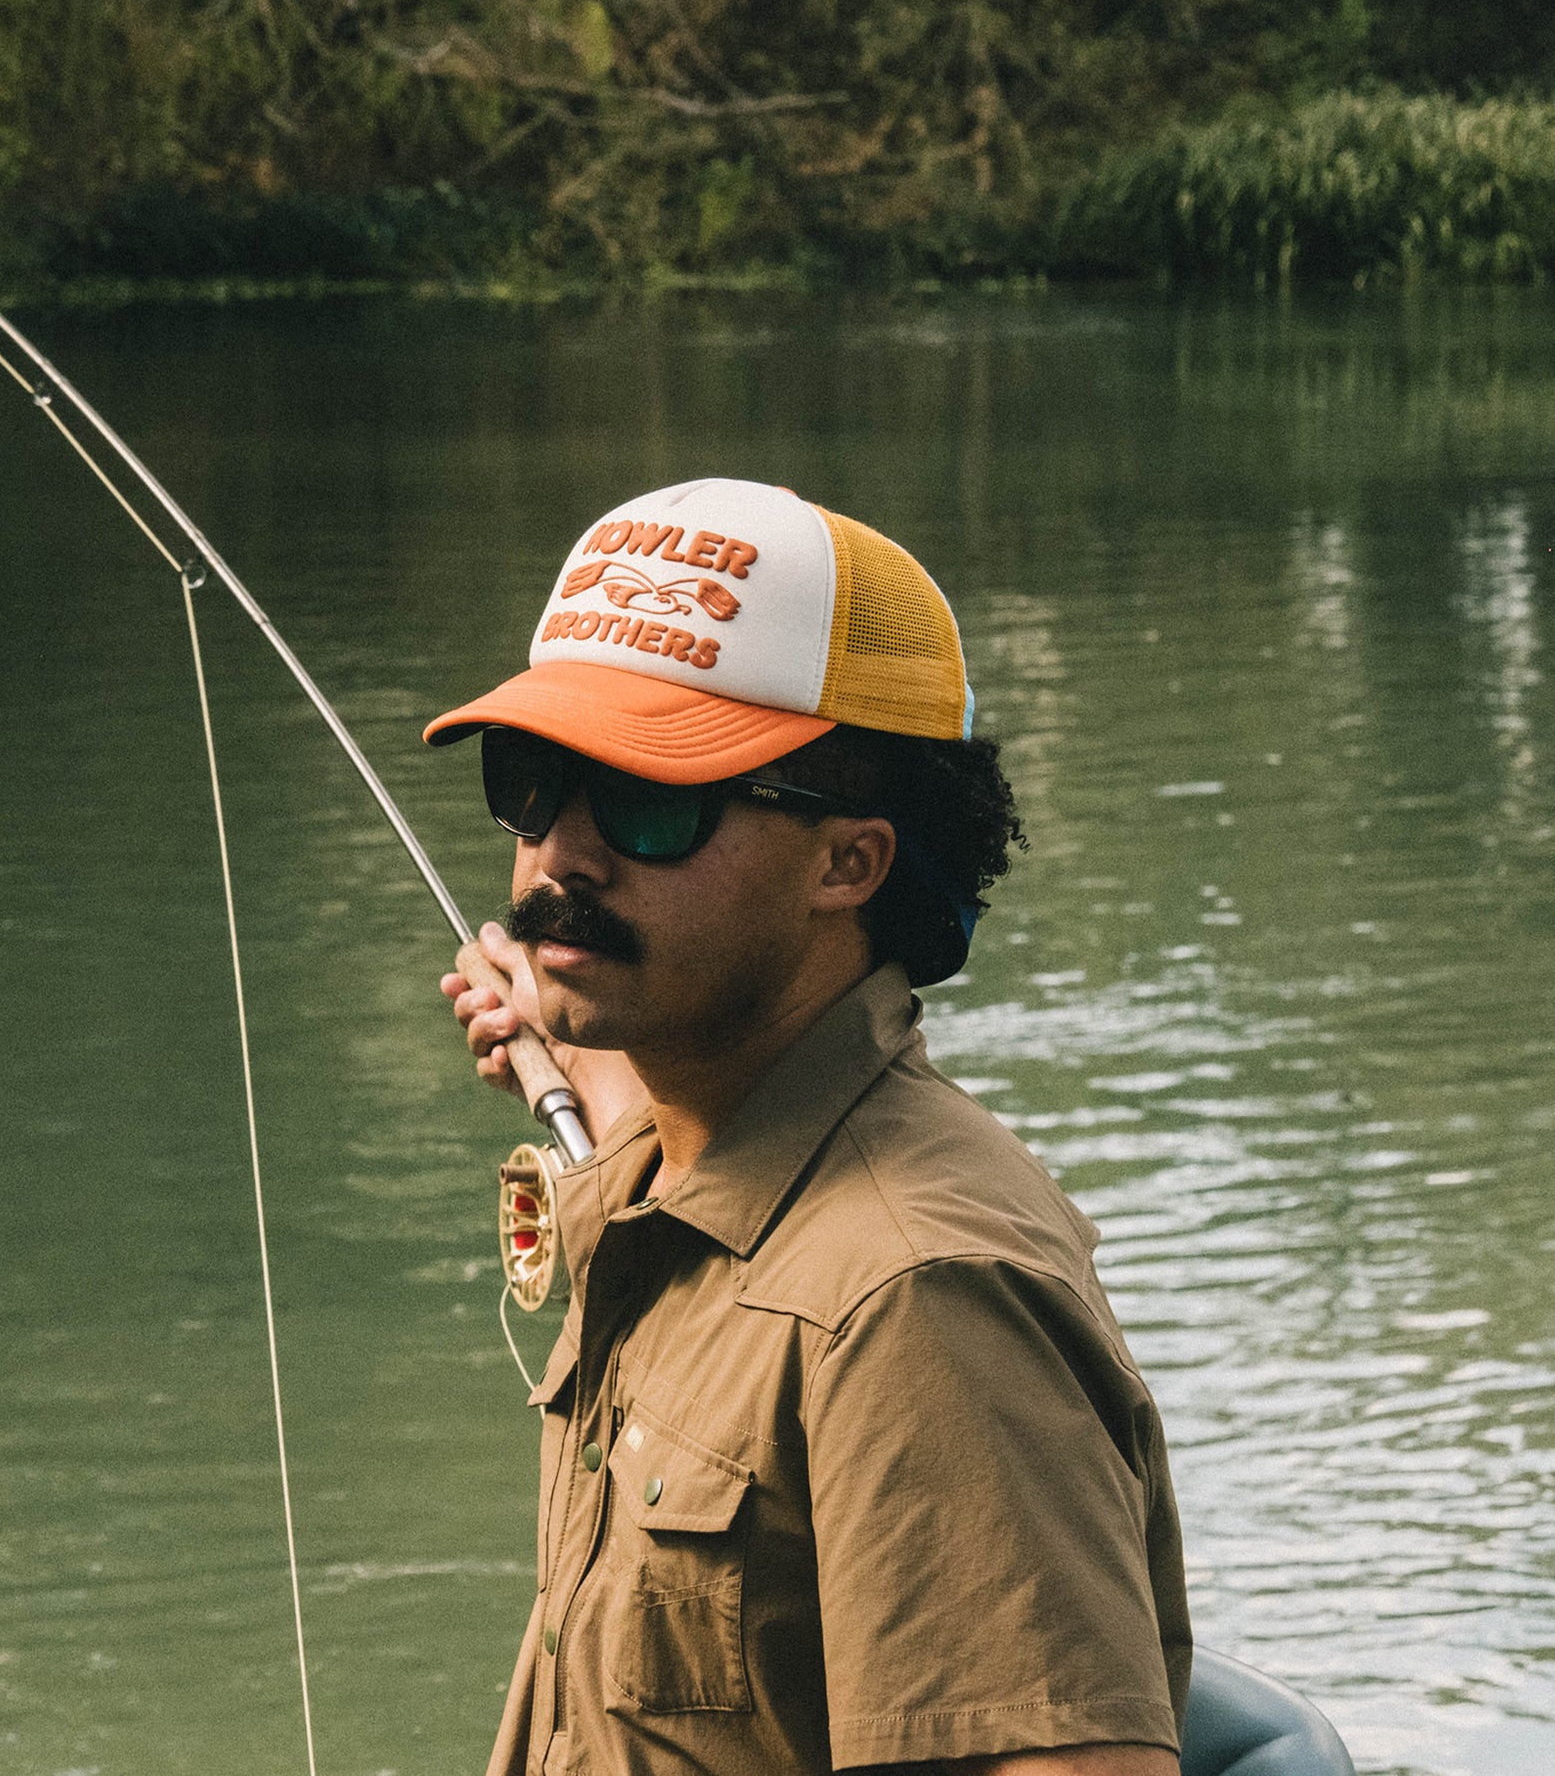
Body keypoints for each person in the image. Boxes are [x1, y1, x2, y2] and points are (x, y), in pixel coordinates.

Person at [428, 478, 1190, 1776]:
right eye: (537, 780)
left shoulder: (918, 1302)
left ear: (851, 863)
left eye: (650, 802)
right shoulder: (685, 1156)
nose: (562, 858)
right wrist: (580, 1066)